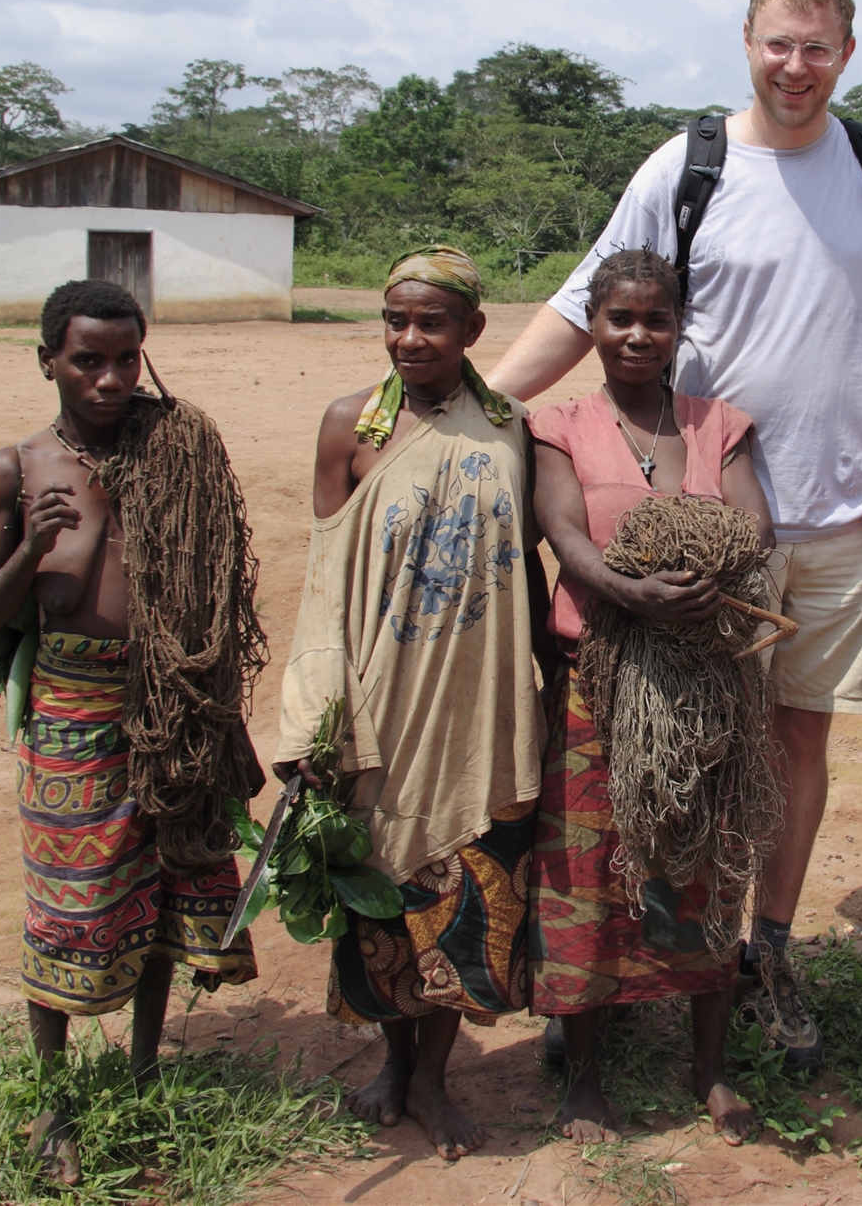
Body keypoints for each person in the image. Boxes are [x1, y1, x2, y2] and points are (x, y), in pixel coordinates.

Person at [487, 0, 862, 1066]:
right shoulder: (687, 166)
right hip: (706, 515)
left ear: (846, 53)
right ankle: (656, 942)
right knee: (687, 732)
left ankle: (766, 947)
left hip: (848, 509)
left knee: (796, 737)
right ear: (743, 43)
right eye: (776, 44)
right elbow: (580, 302)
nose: (794, 66)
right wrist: (467, 415)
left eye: (816, 47)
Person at [0, 279, 260, 1186]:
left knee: (167, 887)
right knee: (69, 899)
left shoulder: (176, 446)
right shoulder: (15, 468)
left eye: (126, 358)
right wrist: (29, 548)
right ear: (47, 358)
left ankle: (142, 1066)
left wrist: (222, 719)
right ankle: (54, 1098)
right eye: (87, 359)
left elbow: (210, 590)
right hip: (73, 712)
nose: (108, 378)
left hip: (172, 705)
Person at [277, 246, 546, 1161]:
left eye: (432, 321)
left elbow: (533, 571)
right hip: (382, 706)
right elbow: (324, 579)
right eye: (396, 320)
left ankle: (433, 1076)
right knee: (383, 903)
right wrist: (317, 708)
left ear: (474, 330)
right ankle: (396, 1062)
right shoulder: (348, 423)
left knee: (469, 900)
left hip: (483, 707)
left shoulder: (510, 424)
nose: (409, 338)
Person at [528, 248, 774, 1146]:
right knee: (587, 877)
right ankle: (585, 1076)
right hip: (600, 683)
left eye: (656, 319)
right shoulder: (559, 424)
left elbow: (754, 525)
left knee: (708, 865)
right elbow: (563, 531)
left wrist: (709, 563)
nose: (638, 335)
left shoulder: (720, 423)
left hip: (706, 687)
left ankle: (708, 1069)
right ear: (592, 323)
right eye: (619, 318)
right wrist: (629, 591)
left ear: (680, 327)